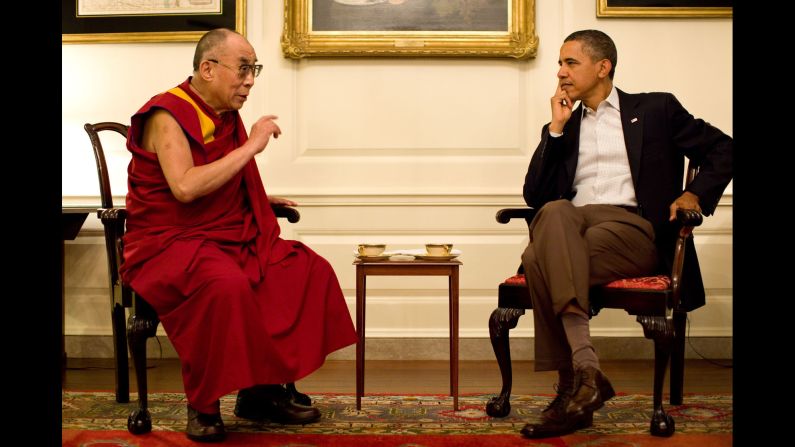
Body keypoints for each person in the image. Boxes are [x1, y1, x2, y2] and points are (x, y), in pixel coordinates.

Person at [119, 28, 358, 442]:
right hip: (167, 243)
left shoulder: (223, 113)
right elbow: (186, 188)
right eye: (243, 69)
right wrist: (251, 147)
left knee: (302, 269)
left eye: (254, 70)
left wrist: (257, 198)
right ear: (208, 69)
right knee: (224, 284)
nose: (249, 81)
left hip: (222, 235)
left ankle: (261, 391)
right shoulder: (167, 114)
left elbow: (224, 179)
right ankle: (204, 404)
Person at [518, 30, 732, 438]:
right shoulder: (568, 123)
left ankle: (567, 392)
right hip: (572, 225)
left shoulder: (656, 109)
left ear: (603, 67)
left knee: (537, 260)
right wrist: (556, 129)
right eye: (559, 65)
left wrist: (693, 193)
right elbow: (535, 196)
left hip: (631, 229)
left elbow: (726, 149)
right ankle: (585, 377)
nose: (560, 73)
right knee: (557, 211)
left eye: (570, 63)